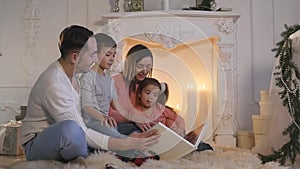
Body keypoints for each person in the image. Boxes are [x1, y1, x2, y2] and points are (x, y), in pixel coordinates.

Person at [20, 25, 159, 165]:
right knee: (73, 130)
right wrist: (126, 143)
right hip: (38, 143)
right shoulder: (55, 84)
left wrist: (126, 135)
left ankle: (121, 150)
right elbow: (79, 129)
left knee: (100, 129)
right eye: (92, 54)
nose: (95, 59)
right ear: (75, 57)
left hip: (72, 135)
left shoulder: (77, 75)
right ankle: (110, 153)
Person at [80, 33, 125, 139]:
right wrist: (103, 118)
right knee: (117, 136)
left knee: (132, 127)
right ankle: (135, 148)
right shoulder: (87, 77)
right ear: (95, 54)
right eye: (108, 54)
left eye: (114, 55)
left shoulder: (110, 80)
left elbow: (116, 104)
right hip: (91, 123)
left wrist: (133, 116)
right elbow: (86, 107)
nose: (112, 59)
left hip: (107, 123)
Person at [109, 44, 154, 134]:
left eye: (148, 66)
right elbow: (108, 112)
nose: (145, 71)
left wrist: (178, 127)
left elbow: (166, 112)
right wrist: (132, 118)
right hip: (119, 126)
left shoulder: (147, 86)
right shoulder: (114, 81)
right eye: (140, 66)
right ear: (130, 64)